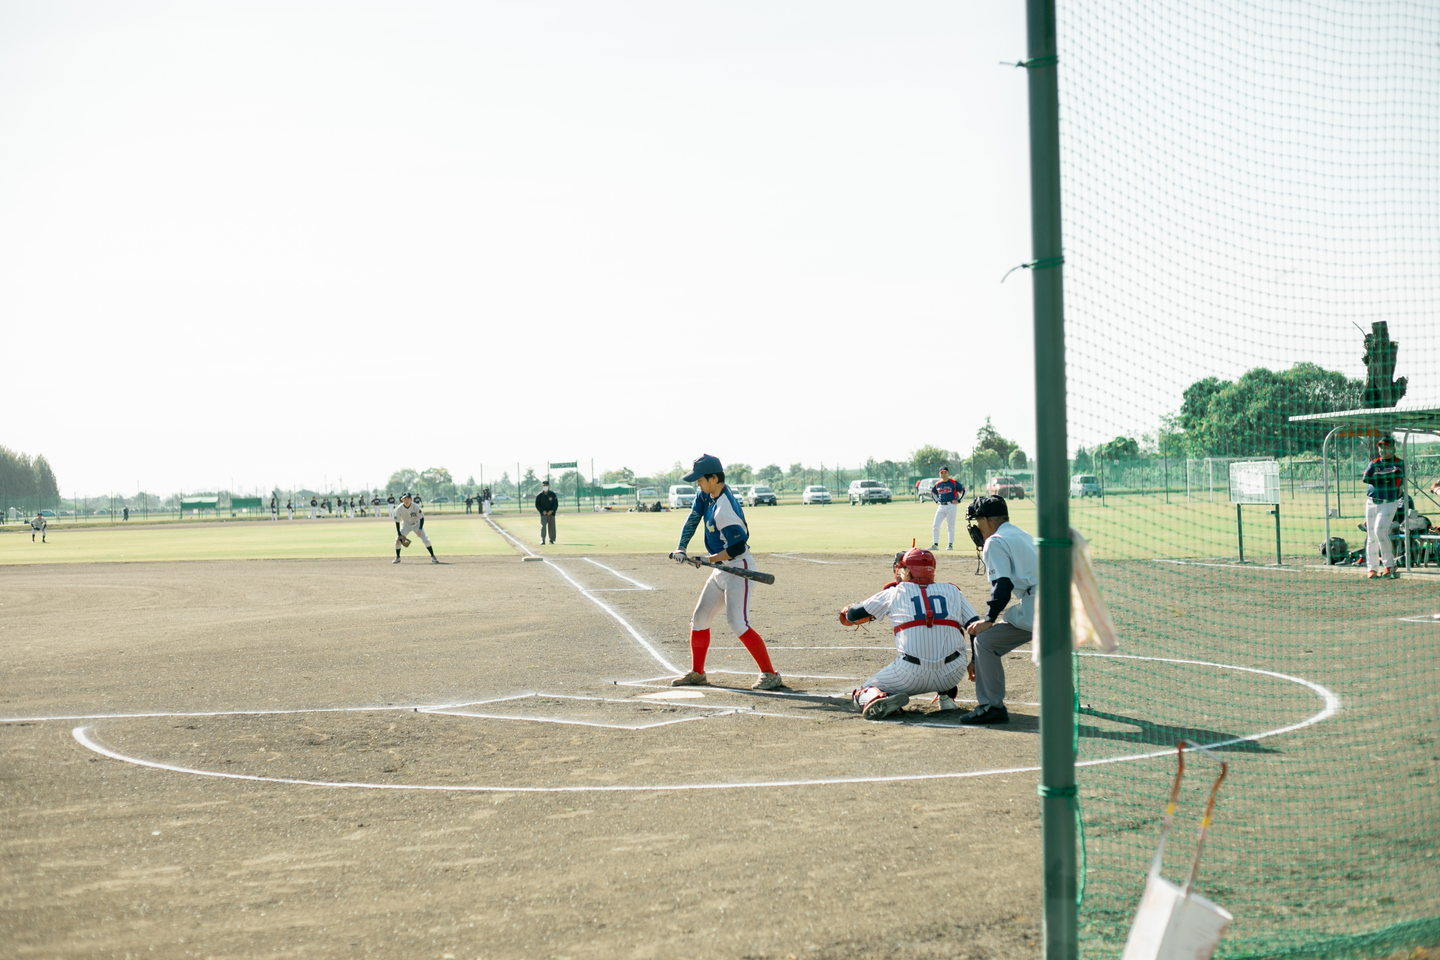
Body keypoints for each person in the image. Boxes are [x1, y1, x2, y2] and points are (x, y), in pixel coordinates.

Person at [667, 454, 784, 691]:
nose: (697, 483)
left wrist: (708, 559)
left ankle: (770, 674)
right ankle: (698, 673)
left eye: (700, 479)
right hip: (721, 568)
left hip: (738, 568)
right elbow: (693, 518)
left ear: (714, 478)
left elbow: (737, 547)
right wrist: (682, 547)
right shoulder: (706, 494)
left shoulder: (725, 509)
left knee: (738, 622)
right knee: (700, 618)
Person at [838, 547, 977, 719]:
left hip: (910, 676)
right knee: (949, 634)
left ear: (907, 571)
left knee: (863, 692)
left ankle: (879, 698)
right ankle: (946, 698)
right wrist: (975, 661)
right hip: (953, 674)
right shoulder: (953, 591)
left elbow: (852, 615)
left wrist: (850, 611)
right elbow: (976, 627)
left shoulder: (894, 593)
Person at [961, 496, 1037, 725]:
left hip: (1039, 606)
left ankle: (991, 707)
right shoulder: (1022, 534)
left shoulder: (995, 541)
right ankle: (1066, 699)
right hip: (1065, 603)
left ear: (986, 520)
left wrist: (988, 619)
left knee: (985, 641)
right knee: (1050, 648)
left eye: (978, 521)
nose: (976, 527)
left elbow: (1002, 585)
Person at [1362, 436, 1405, 579]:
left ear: (1393, 448)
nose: (1382, 450)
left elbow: (1394, 477)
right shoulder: (1374, 462)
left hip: (1389, 502)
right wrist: (1384, 478)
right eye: (1381, 447)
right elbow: (1365, 479)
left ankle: (1389, 565)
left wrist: (1376, 479)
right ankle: (1372, 568)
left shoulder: (1399, 463)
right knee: (1371, 536)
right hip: (1371, 502)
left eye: (1386, 447)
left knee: (1380, 531)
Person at [392, 492, 438, 564]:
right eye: (405, 499)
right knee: (398, 540)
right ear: (402, 500)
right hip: (406, 525)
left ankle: (433, 556)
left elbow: (422, 518)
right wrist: (399, 534)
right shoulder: (399, 509)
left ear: (411, 499)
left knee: (426, 540)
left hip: (417, 524)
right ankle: (398, 557)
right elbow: (397, 521)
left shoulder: (415, 506)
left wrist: (420, 529)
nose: (407, 500)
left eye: (408, 498)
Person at [930, 465, 967, 551]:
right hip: (941, 506)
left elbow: (964, 491)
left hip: (951, 505)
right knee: (935, 525)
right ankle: (935, 545)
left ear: (948, 473)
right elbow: (932, 492)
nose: (944, 474)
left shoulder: (953, 482)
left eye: (945, 473)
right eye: (942, 473)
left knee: (950, 526)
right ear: (939, 474)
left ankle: (950, 545)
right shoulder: (938, 483)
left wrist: (959, 500)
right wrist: (936, 501)